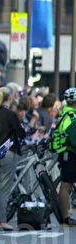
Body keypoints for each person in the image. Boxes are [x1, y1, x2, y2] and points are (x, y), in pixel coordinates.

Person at [0, 87, 26, 231]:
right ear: (9, 98)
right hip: (9, 152)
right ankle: (1, 221)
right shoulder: (10, 114)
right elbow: (21, 133)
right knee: (4, 188)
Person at [50, 88, 76, 226]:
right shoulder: (71, 116)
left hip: (66, 153)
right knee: (66, 185)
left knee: (67, 184)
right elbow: (74, 139)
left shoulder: (64, 113)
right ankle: (65, 217)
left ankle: (65, 216)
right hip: (69, 154)